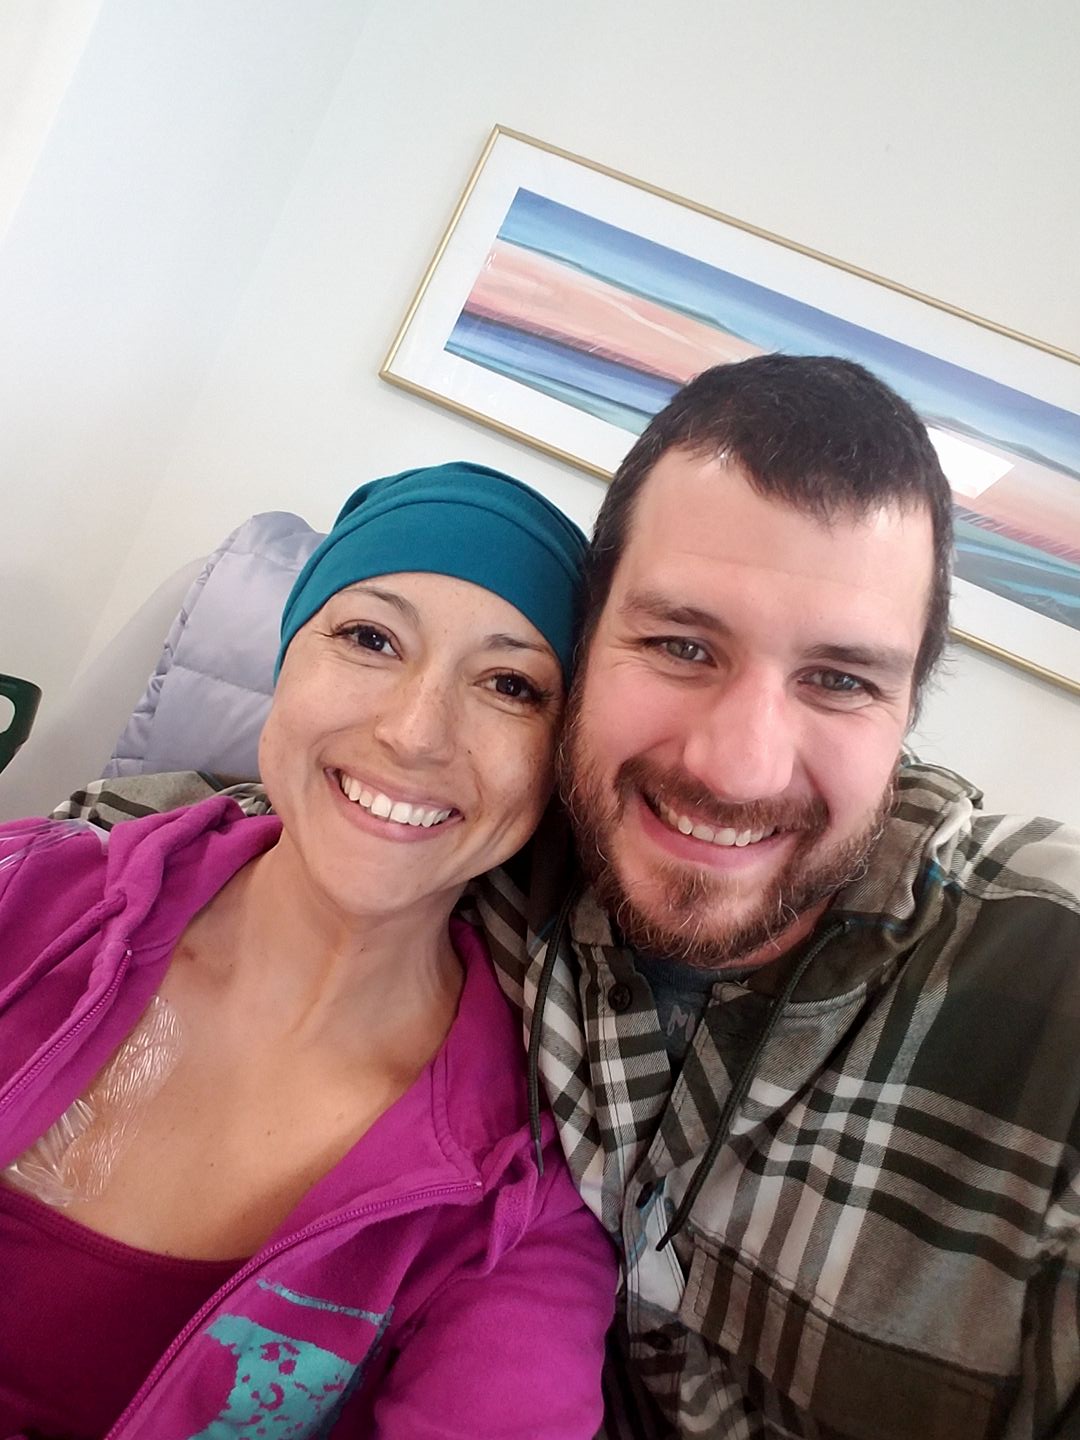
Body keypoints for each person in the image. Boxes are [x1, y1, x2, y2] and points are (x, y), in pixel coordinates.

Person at [52, 359, 1080, 1440]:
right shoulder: (480, 848)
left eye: (839, 680)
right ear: (584, 654)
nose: (736, 766)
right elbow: (229, 830)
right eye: (681, 645)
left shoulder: (1047, 981)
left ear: (908, 708)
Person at [0, 462, 616, 1439]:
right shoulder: (22, 894)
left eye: (510, 685)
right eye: (370, 638)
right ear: (287, 661)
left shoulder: (517, 1200)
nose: (414, 733)